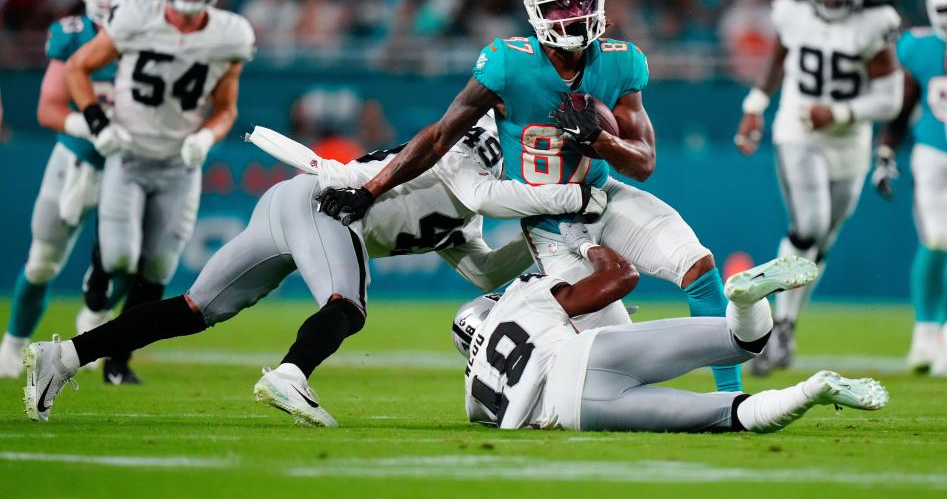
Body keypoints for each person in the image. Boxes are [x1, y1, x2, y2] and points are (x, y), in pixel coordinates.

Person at [317, 0, 744, 392]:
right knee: (614, 351)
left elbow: (644, 163)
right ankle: (508, 312)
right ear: (537, 13)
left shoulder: (622, 61)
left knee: (699, 266)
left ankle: (732, 396)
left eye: (582, 2)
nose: (575, 15)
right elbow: (442, 136)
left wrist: (601, 141)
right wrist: (369, 190)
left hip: (602, 194)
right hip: (549, 222)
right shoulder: (507, 63)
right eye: (562, 6)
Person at [22, 115, 608, 424]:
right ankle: (290, 374)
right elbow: (481, 194)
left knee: (193, 311)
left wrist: (533, 246)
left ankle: (64, 357)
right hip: (324, 205)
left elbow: (482, 272)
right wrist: (565, 203)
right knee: (347, 306)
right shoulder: (472, 145)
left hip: (292, 203)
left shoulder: (479, 201)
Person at [454, 228, 888, 432]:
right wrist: (584, 243)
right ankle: (743, 299)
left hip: (572, 413)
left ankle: (811, 392)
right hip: (585, 355)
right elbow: (620, 278)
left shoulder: (474, 395)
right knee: (744, 341)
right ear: (489, 306)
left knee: (729, 414)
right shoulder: (522, 296)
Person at [62, 0, 255, 384]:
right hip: (128, 154)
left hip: (179, 164)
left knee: (158, 270)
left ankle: (118, 360)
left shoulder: (230, 33)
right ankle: (99, 270)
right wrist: (97, 123)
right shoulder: (136, 17)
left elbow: (226, 108)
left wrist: (206, 138)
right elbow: (78, 68)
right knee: (122, 256)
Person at [734, 0, 903, 376]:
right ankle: (769, 326)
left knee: (822, 241)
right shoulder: (791, 9)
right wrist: (754, 107)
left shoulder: (875, 21)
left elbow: (890, 99)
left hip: (850, 142)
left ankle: (786, 325)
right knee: (807, 227)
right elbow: (780, 58)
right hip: (798, 129)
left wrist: (842, 112)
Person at [0, 0, 146, 378]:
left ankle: (94, 308)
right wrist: (92, 127)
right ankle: (12, 345)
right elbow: (48, 109)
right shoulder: (74, 34)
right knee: (42, 260)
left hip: (130, 165)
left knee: (131, 258)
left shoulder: (154, 36)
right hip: (78, 162)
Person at [872, 0, 947, 374]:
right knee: (938, 239)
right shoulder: (920, 46)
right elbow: (902, 106)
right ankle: (928, 332)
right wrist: (886, 151)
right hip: (935, 153)